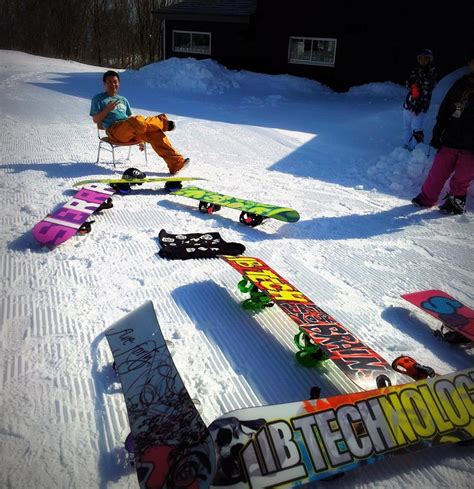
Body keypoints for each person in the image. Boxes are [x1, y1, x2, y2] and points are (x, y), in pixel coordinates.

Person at [90, 70, 189, 174]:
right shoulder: (98, 99)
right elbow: (95, 120)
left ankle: (176, 164)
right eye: (109, 82)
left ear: (119, 83)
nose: (112, 84)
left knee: (155, 133)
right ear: (104, 83)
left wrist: (141, 138)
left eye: (115, 81)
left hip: (131, 129)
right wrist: (107, 109)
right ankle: (163, 123)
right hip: (115, 131)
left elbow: (133, 121)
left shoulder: (123, 100)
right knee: (137, 119)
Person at [412, 51, 474, 214]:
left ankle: (455, 205)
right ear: (470, 64)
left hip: (471, 147)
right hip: (450, 139)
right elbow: (444, 111)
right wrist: (437, 134)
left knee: (462, 179)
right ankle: (426, 198)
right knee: (437, 172)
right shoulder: (460, 85)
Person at [402, 49, 437, 150]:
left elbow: (428, 87)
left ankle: (416, 149)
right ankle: (406, 145)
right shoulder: (414, 70)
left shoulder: (431, 72)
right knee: (407, 127)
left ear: (429, 59)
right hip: (409, 103)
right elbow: (408, 83)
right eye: (420, 58)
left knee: (416, 128)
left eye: (425, 58)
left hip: (421, 106)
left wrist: (418, 104)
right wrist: (413, 87)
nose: (422, 60)